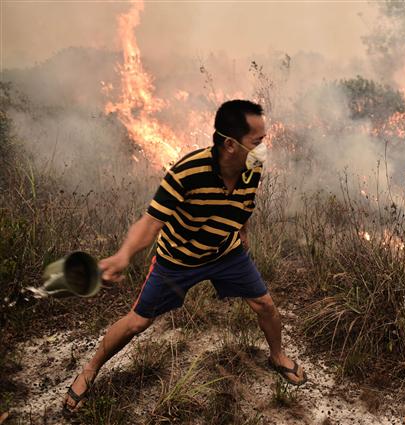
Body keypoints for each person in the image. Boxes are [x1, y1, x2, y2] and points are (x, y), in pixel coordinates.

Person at [63, 99, 306, 413]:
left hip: (226, 252)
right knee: (137, 323)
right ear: (231, 144)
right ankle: (91, 368)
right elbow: (151, 221)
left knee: (265, 305)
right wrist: (124, 255)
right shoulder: (187, 172)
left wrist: (242, 234)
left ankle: (277, 356)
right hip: (177, 260)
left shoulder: (252, 167)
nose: (264, 149)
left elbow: (245, 205)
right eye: (257, 142)